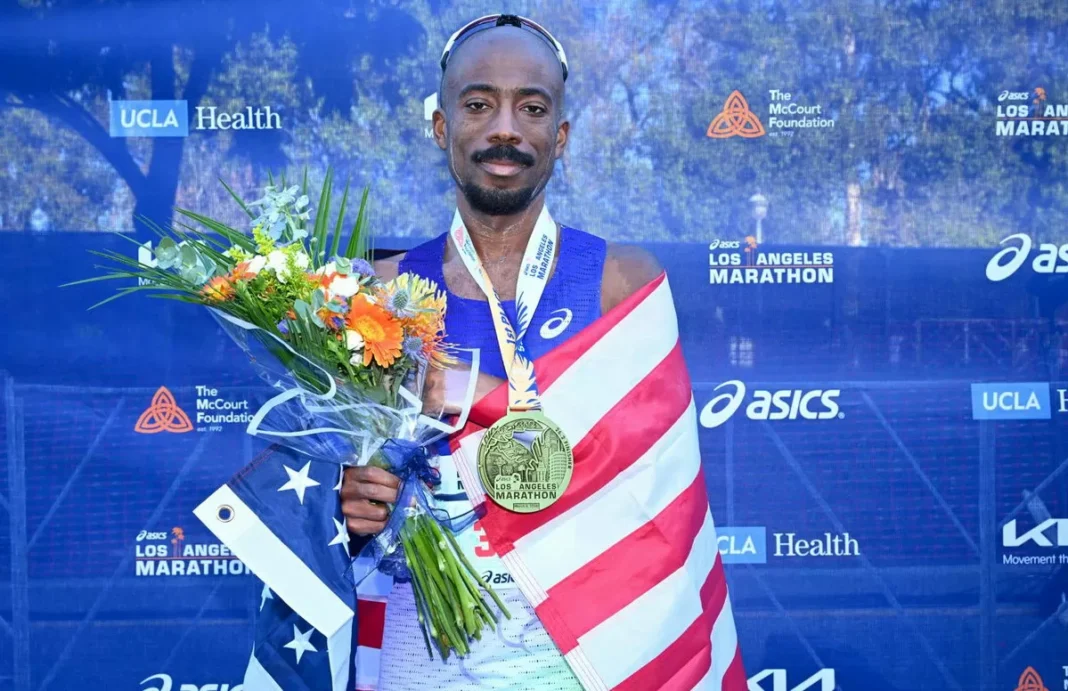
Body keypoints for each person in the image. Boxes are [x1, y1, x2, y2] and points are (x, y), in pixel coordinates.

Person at [341, 14, 666, 690]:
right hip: (422, 652)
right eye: (479, 104)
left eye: (533, 108)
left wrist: (471, 390)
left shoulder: (621, 280)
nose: (506, 129)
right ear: (442, 128)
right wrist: (353, 502)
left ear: (560, 137)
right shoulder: (378, 293)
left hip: (581, 654)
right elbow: (337, 486)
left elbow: (651, 483)